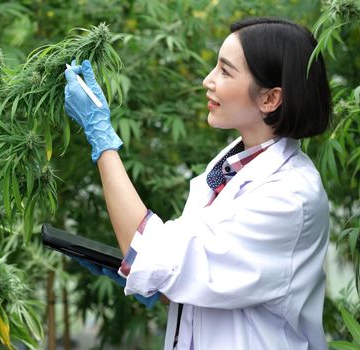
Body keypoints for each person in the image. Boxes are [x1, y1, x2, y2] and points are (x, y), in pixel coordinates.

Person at [64, 16, 331, 350]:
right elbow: (204, 278)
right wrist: (156, 286)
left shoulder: (289, 197)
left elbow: (156, 254)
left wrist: (100, 137)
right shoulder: (228, 168)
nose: (208, 80)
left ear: (270, 99)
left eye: (225, 71)